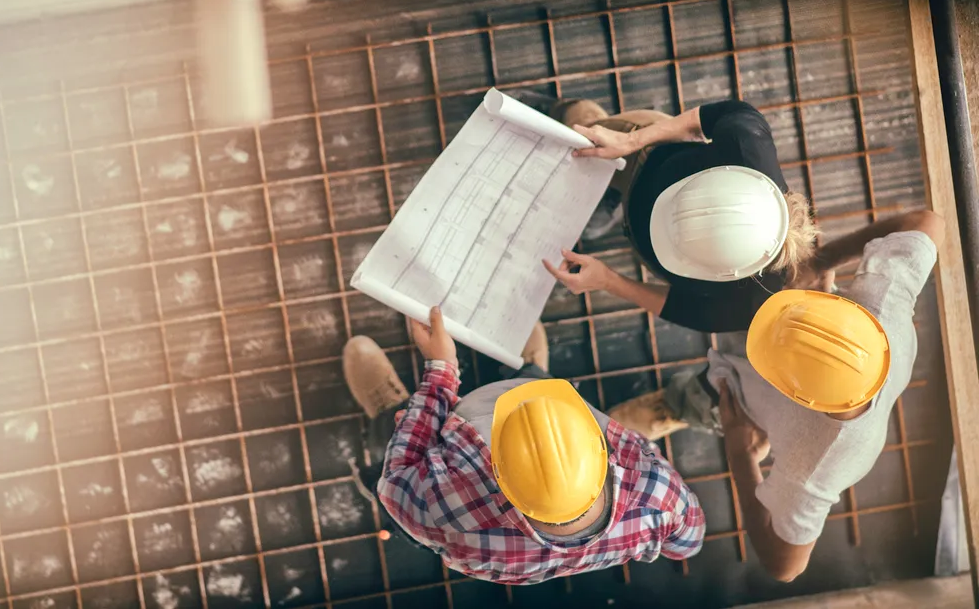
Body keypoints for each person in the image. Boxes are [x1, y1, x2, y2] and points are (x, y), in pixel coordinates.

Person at [604, 209, 945, 581]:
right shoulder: (883, 304)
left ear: (793, 393)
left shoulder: (813, 467)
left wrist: (741, 455)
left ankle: (679, 405)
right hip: (790, 352)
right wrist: (821, 261)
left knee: (706, 398)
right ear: (849, 313)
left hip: (742, 403)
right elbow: (928, 222)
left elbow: (785, 565)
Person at [344, 309, 705, 584]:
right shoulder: (658, 495)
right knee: (536, 384)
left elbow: (396, 480)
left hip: (447, 479)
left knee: (394, 434)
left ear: (495, 471)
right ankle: (532, 374)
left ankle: (390, 409)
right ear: (604, 454)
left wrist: (441, 370)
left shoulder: (450, 512)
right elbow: (686, 545)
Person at [512, 92, 820, 334]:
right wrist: (629, 140)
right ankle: (565, 108)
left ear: (725, 273)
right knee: (582, 131)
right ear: (722, 172)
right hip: (645, 154)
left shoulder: (750, 302)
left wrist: (607, 280)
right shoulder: (746, 143)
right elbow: (711, 116)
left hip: (640, 213)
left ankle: (613, 203)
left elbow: (681, 308)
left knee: (590, 218)